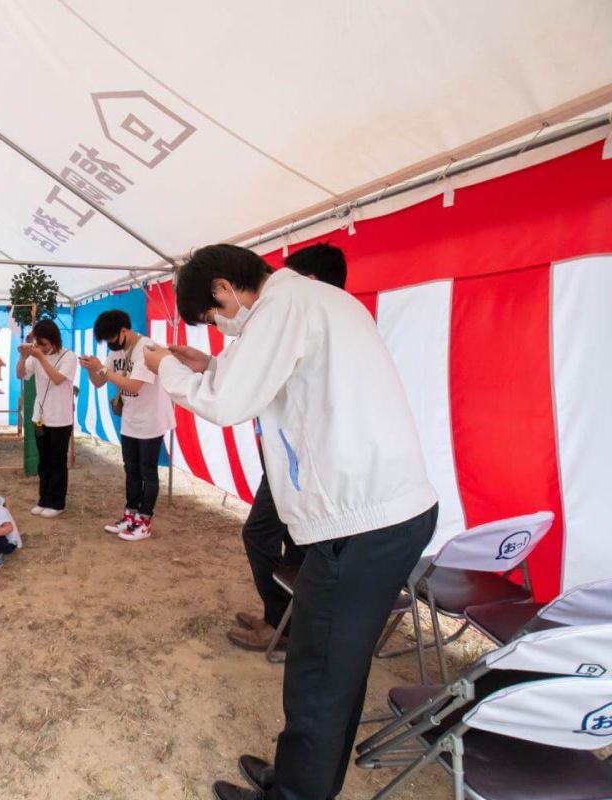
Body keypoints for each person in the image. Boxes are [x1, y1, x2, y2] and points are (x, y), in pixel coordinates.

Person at [143, 244, 437, 800]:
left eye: (213, 317)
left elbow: (228, 404)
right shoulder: (319, 300)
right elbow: (273, 375)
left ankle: (296, 793)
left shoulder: (284, 305)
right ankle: (299, 776)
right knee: (333, 667)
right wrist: (207, 365)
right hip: (384, 513)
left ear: (224, 289)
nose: (221, 327)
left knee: (320, 674)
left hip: (360, 522)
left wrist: (167, 372)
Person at [221, 243, 349, 652]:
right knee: (296, 540)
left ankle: (282, 621)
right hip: (285, 458)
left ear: (307, 283)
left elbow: (235, 398)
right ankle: (287, 620)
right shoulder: (325, 320)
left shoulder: (317, 321)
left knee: (259, 533)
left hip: (303, 463)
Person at [78, 310, 175, 542]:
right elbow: (100, 383)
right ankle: (130, 515)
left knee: (148, 472)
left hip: (151, 419)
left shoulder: (147, 349)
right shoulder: (117, 352)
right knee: (131, 469)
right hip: (130, 419)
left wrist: (104, 370)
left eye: (112, 339)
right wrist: (93, 368)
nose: (111, 344)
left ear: (124, 330)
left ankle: (144, 520)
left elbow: (135, 385)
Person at [16, 319, 78, 518]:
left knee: (58, 461)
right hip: (40, 416)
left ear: (53, 340)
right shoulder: (35, 356)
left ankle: (57, 503)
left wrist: (40, 356)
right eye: (38, 343)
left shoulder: (69, 356)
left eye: (43, 343)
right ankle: (44, 500)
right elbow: (21, 375)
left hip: (61, 418)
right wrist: (22, 356)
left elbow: (58, 379)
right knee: (44, 461)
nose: (40, 347)